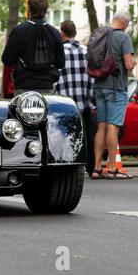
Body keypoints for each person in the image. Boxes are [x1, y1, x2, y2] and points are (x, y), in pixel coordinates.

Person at [91, 11, 136, 180]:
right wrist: (133, 62)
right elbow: (128, 65)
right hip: (116, 87)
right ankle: (111, 168)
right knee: (113, 127)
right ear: (124, 23)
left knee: (101, 126)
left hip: (100, 85)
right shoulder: (123, 38)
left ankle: (96, 168)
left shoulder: (101, 34)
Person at [54, 20, 96, 176]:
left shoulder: (58, 53)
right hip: (84, 103)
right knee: (87, 137)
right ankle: (91, 167)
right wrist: (91, 100)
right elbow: (92, 79)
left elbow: (55, 80)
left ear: (62, 33)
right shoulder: (86, 51)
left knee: (66, 136)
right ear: (75, 33)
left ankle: (68, 168)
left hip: (65, 105)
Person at [1, 0, 65, 95]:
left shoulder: (19, 31)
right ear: (45, 11)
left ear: (29, 9)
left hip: (23, 85)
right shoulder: (54, 33)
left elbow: (7, 60)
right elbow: (61, 63)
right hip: (47, 86)